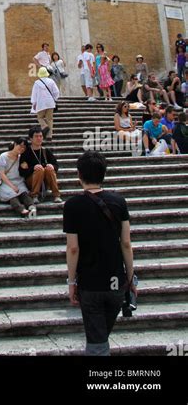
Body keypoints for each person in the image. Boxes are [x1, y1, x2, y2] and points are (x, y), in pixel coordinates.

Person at [63, 151, 136, 356]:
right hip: (116, 281)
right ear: (104, 173)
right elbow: (127, 243)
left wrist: (71, 282)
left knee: (97, 343)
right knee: (100, 337)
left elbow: (73, 248)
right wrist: (131, 278)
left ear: (79, 174)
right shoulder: (119, 201)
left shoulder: (72, 205)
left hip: (90, 282)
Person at [19, 126, 62, 204]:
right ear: (31, 139)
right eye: (36, 136)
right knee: (39, 169)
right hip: (31, 182)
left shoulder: (46, 151)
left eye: (41, 136)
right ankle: (34, 195)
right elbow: (22, 172)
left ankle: (56, 195)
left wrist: (52, 167)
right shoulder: (26, 153)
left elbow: (56, 165)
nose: (39, 138)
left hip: (45, 181)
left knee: (49, 169)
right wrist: (33, 168)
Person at [0, 138, 33, 217]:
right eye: (21, 146)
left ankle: (31, 207)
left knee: (24, 194)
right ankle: (21, 209)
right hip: (6, 182)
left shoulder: (21, 157)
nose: (22, 149)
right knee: (12, 196)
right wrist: (12, 186)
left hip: (19, 181)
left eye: (24, 148)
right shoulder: (3, 156)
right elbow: (2, 174)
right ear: (15, 144)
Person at [30, 67, 59, 140]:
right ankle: (49, 136)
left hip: (41, 103)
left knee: (40, 117)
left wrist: (34, 102)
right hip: (50, 103)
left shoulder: (37, 83)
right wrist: (54, 99)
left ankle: (44, 126)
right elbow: (56, 92)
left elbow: (34, 93)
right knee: (50, 119)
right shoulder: (51, 81)